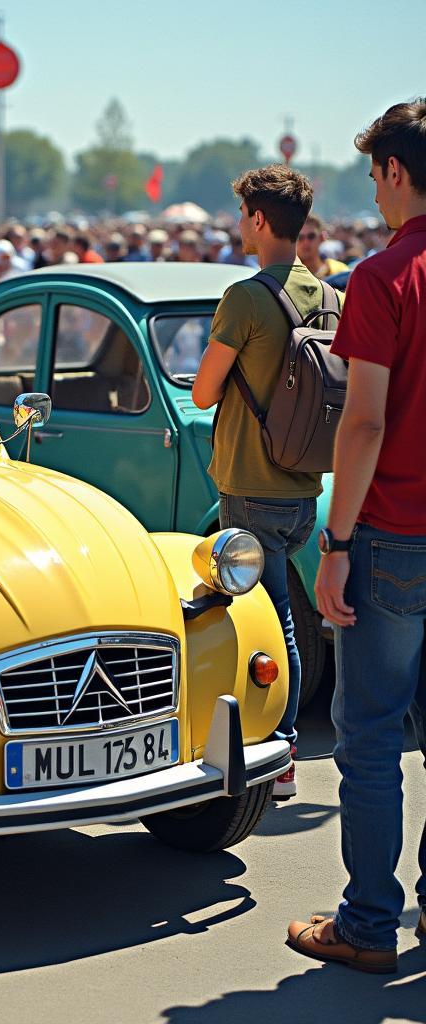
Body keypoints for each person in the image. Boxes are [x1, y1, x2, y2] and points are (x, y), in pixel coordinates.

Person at [287, 98, 426, 975]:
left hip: (394, 535)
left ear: (396, 174)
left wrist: (335, 543)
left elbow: (364, 423)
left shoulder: (381, 278)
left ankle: (370, 922)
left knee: (369, 736)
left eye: (377, 175)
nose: (375, 194)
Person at [192, 164, 332, 800]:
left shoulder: (245, 298)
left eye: (241, 214)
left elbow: (201, 391)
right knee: (284, 622)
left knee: (269, 627)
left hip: (252, 482)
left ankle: (278, 758)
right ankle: (277, 751)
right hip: (306, 483)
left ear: (257, 220)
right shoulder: (330, 297)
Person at [297, 212, 349, 279]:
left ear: (322, 237)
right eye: (300, 237)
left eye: (311, 236)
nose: (306, 242)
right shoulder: (286, 275)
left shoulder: (341, 271)